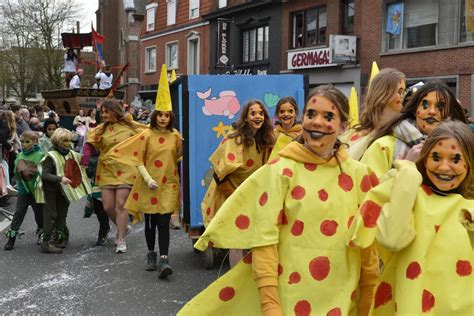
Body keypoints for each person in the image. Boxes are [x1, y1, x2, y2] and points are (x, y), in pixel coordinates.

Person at [180, 85, 379, 316]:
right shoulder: (280, 171)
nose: (317, 122)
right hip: (290, 299)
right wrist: (270, 304)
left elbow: (367, 247)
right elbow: (265, 240)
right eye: (311, 114)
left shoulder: (361, 176)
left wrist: (369, 298)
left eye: (328, 116)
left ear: (343, 126)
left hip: (344, 300)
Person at [349, 120, 473, 315]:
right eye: (436, 157)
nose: (444, 167)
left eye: (455, 160)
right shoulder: (410, 197)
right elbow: (392, 239)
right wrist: (407, 173)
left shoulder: (470, 208)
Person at [108, 109, 183, 278]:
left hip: (168, 184)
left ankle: (164, 258)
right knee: (151, 222)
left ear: (171, 118)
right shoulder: (146, 135)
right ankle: (151, 254)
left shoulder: (175, 136)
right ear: (155, 116)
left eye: (167, 115)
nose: (163, 118)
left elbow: (178, 155)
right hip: (148, 184)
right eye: (160, 115)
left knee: (164, 222)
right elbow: (138, 160)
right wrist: (148, 179)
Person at [201, 99, 274, 266]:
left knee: (253, 239)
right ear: (246, 117)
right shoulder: (235, 139)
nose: (257, 116)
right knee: (236, 239)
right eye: (253, 113)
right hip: (233, 194)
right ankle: (234, 278)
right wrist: (235, 196)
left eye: (261, 113)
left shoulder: (266, 139)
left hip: (253, 196)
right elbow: (219, 175)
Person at [361, 80, 467, 178]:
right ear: (414, 110)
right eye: (425, 105)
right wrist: (406, 166)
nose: (432, 111)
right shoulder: (383, 147)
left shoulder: (463, 148)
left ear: (450, 114)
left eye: (440, 107)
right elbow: (368, 191)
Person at [80, 99, 146, 253]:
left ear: (115, 111)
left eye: (106, 111)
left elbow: (148, 134)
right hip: (107, 170)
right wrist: (84, 159)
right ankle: (123, 227)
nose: (103, 115)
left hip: (126, 169)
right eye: (102, 112)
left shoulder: (130, 126)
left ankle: (121, 239)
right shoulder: (100, 130)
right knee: (108, 206)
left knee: (121, 204)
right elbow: (90, 143)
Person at [39, 128, 92, 253]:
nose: (68, 143)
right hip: (51, 190)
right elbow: (44, 175)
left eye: (69, 140)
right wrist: (60, 178)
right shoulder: (51, 156)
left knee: (62, 215)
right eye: (64, 140)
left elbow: (83, 162)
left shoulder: (71, 153)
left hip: (65, 191)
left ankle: (61, 238)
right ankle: (46, 242)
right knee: (51, 215)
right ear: (57, 141)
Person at [341, 68, 406, 160]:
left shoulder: (404, 132)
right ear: (383, 94)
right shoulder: (352, 132)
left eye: (404, 91)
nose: (404, 96)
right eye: (400, 91)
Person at [4, 131, 44, 250]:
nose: (24, 144)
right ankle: (12, 238)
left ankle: (41, 234)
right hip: (23, 190)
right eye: (23, 142)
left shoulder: (40, 155)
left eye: (28, 142)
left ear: (35, 142)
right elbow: (17, 173)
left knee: (39, 214)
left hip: (36, 190)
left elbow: (43, 174)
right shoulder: (20, 155)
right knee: (18, 214)